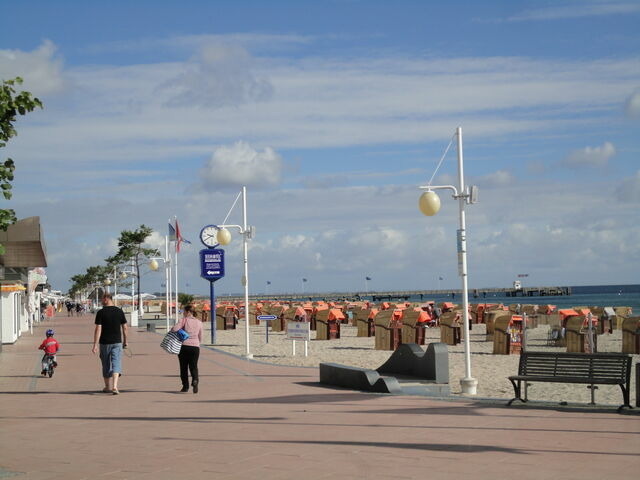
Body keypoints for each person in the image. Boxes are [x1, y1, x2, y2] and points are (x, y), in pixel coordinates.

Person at [92, 293, 128, 394]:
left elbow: (98, 329)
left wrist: (95, 344)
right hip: (117, 342)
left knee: (106, 364)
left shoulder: (101, 312)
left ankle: (107, 386)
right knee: (116, 363)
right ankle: (115, 386)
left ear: (106, 299)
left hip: (104, 343)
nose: (101, 301)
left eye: (102, 299)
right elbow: (125, 328)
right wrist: (125, 341)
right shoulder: (119, 311)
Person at [171, 304, 203, 393]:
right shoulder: (199, 322)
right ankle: (195, 380)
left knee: (183, 367)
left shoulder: (183, 320)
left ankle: (185, 387)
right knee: (194, 366)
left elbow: (174, 329)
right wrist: (196, 343)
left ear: (188, 312)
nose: (183, 313)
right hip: (195, 347)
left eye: (184, 311)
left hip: (184, 346)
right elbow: (200, 337)